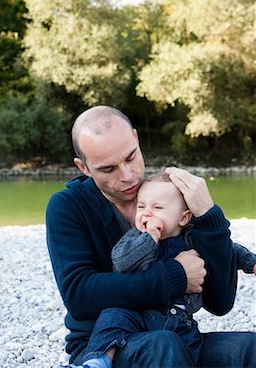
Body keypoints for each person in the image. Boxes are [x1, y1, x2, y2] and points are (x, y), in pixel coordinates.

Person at [46, 105, 256, 368]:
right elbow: (80, 295)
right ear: (84, 167)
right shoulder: (68, 206)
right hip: (105, 347)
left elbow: (220, 302)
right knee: (162, 344)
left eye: (131, 157)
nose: (127, 175)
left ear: (136, 138)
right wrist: (176, 276)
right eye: (108, 169)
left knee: (249, 349)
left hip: (181, 335)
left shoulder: (168, 195)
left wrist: (208, 216)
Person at [63, 173, 256, 368]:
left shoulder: (192, 239)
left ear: (184, 218)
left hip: (182, 326)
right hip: (138, 325)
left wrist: (252, 263)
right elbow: (121, 262)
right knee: (114, 318)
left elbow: (229, 250)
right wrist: (151, 238)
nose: (147, 213)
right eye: (141, 206)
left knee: (248, 345)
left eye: (157, 208)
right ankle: (97, 361)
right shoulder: (137, 238)